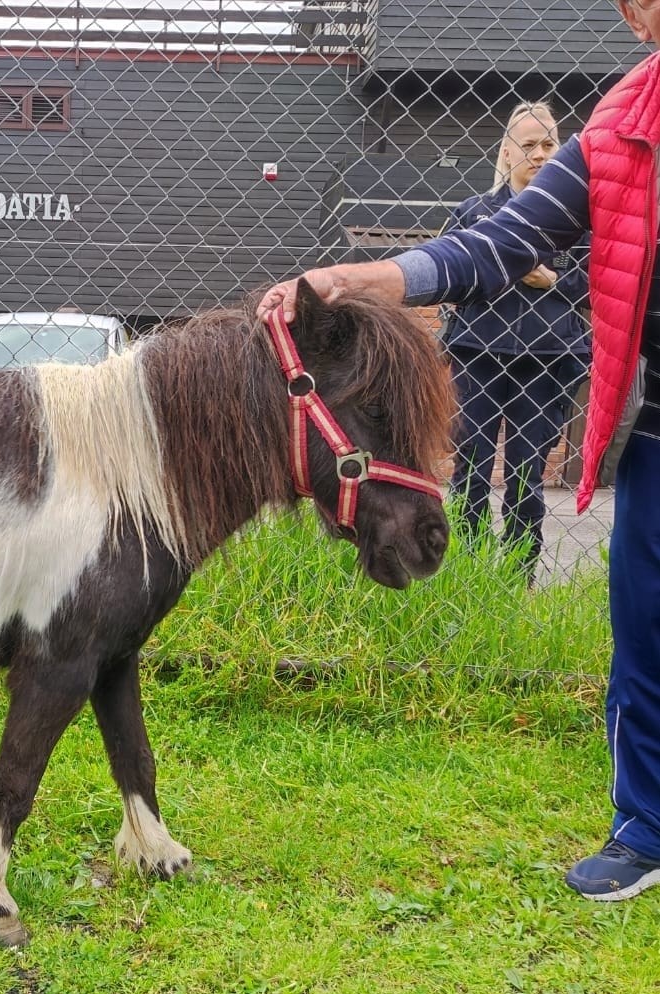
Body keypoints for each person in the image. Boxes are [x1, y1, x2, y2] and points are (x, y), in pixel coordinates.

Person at [257, 0, 660, 903]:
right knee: (642, 632)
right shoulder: (621, 129)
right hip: (656, 429)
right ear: (638, 18)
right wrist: (353, 277)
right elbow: (499, 244)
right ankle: (644, 827)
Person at [438, 102, 590, 582]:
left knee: (528, 478)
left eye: (550, 145)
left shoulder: (577, 218)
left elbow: (600, 283)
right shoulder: (474, 212)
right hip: (478, 356)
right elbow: (451, 276)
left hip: (546, 363)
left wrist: (554, 280)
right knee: (471, 472)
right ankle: (467, 571)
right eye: (529, 146)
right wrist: (497, 268)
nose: (541, 155)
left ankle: (516, 578)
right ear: (507, 151)